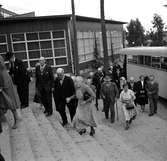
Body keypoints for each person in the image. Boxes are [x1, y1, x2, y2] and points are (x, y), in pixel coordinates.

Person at [0, 55, 21, 129]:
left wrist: (2, 86)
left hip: (4, 82)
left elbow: (2, 71)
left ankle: (17, 119)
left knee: (10, 101)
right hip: (4, 80)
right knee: (4, 101)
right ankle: (3, 118)